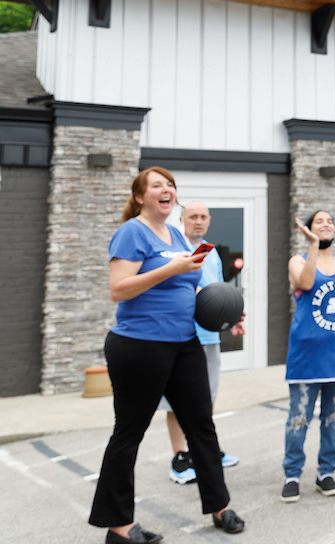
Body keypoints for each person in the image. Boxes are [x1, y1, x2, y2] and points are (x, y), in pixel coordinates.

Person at [90, 167, 245, 542]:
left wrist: (225, 311)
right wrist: (172, 268)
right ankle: (119, 527)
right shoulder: (131, 232)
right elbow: (119, 289)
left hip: (184, 343)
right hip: (139, 345)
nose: (166, 189)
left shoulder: (176, 234)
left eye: (170, 185)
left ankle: (219, 506)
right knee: (129, 433)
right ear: (141, 196)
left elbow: (185, 289)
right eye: (157, 185)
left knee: (201, 425)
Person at [281, 210, 335, 502]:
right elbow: (305, 283)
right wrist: (313, 245)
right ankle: (292, 474)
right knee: (299, 418)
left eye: (330, 221)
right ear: (308, 229)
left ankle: (325, 472)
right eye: (319, 221)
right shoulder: (299, 260)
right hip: (306, 355)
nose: (326, 224)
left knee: (333, 418)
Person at [162, 201, 243, 484]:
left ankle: (204, 449)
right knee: (177, 400)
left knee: (207, 397)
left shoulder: (213, 253)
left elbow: (219, 294)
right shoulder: (173, 248)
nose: (198, 221)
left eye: (203, 217)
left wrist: (234, 317)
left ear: (209, 220)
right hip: (181, 334)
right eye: (192, 216)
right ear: (182, 218)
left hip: (209, 335)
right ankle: (180, 457)